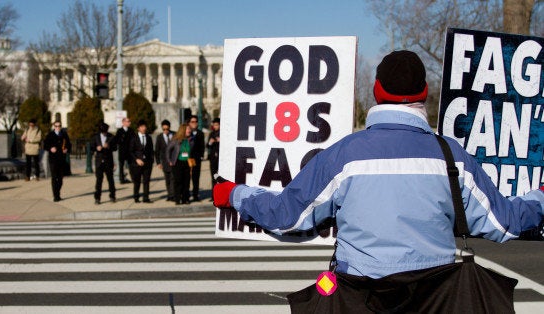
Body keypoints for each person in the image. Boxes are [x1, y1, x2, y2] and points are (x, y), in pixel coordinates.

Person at [213, 50, 544, 280]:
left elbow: (288, 219)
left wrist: (234, 194)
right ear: (426, 93)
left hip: (359, 296)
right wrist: (540, 195)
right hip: (434, 296)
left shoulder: (344, 156)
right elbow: (504, 223)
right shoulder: (452, 156)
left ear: (376, 91)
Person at [43, 121, 71, 202]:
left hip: (62, 158)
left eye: (59, 126)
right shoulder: (50, 135)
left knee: (61, 179)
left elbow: (69, 144)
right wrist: (50, 148)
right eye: (56, 126)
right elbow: (45, 145)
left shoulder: (64, 134)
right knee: (54, 177)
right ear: (54, 126)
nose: (58, 127)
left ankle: (57, 192)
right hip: (53, 159)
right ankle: (56, 196)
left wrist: (67, 149)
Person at [167, 123, 193, 205]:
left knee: (186, 181)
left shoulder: (191, 139)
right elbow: (168, 150)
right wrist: (170, 160)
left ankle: (186, 198)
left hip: (187, 163)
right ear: (183, 130)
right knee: (178, 181)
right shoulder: (176, 140)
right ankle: (177, 199)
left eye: (189, 129)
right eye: (188, 129)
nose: (189, 130)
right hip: (177, 162)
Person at [129, 120, 154, 203]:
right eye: (142, 127)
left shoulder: (148, 137)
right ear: (138, 128)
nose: (144, 128)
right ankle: (136, 197)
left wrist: (151, 160)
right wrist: (136, 159)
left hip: (147, 163)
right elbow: (131, 151)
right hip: (137, 163)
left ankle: (146, 197)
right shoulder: (134, 138)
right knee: (137, 181)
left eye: (145, 126)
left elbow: (151, 150)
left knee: (146, 181)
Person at [92, 122, 117, 204]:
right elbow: (91, 147)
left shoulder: (111, 137)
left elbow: (115, 148)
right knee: (99, 180)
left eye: (105, 132)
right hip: (99, 161)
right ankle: (97, 198)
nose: (104, 133)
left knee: (110, 180)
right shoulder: (96, 137)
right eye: (103, 132)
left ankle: (112, 196)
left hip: (108, 161)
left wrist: (109, 146)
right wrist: (96, 148)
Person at [155, 119, 175, 201]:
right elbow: (157, 150)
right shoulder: (159, 137)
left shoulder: (174, 135)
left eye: (167, 129)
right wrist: (158, 162)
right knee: (167, 179)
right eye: (164, 129)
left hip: (173, 161)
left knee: (173, 178)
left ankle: (173, 195)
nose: (166, 131)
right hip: (165, 162)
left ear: (169, 128)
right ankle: (169, 195)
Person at [188, 115, 205, 202]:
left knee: (196, 177)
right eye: (192, 122)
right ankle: (186, 195)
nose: (194, 123)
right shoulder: (187, 132)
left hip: (196, 159)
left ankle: (195, 195)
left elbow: (202, 146)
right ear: (189, 123)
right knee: (186, 177)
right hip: (187, 159)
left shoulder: (200, 133)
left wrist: (201, 156)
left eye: (196, 122)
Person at [116, 117, 133, 184]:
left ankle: (133, 178)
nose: (129, 123)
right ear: (123, 122)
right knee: (121, 165)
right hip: (122, 151)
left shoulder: (131, 130)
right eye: (128, 121)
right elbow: (117, 140)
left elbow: (134, 139)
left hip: (129, 151)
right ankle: (122, 179)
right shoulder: (119, 131)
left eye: (129, 121)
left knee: (131, 165)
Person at [207, 117, 220, 201]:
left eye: (216, 125)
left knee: (220, 178)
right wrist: (210, 142)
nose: (215, 126)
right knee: (213, 177)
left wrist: (221, 141)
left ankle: (220, 195)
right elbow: (207, 145)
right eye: (214, 125)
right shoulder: (211, 134)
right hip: (213, 159)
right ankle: (214, 196)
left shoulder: (223, 133)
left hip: (220, 159)